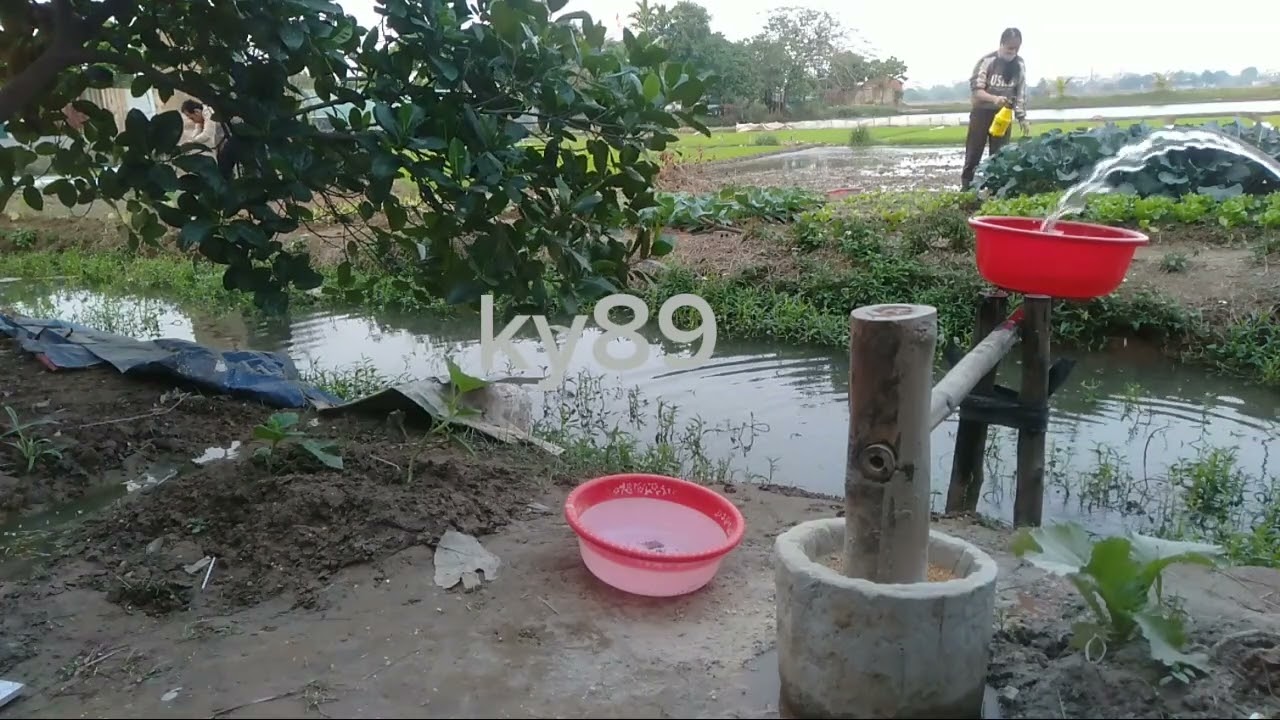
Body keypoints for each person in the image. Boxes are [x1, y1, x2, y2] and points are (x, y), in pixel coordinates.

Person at [960, 27, 1031, 191]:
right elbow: (977, 92)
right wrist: (994, 99)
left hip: (1004, 115)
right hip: (982, 113)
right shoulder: (987, 61)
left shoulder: (1019, 64)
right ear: (1001, 44)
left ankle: (994, 190)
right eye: (1009, 48)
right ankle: (966, 188)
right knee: (974, 152)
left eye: (1016, 49)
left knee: (999, 154)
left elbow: (1020, 93)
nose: (1012, 52)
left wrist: (1022, 117)